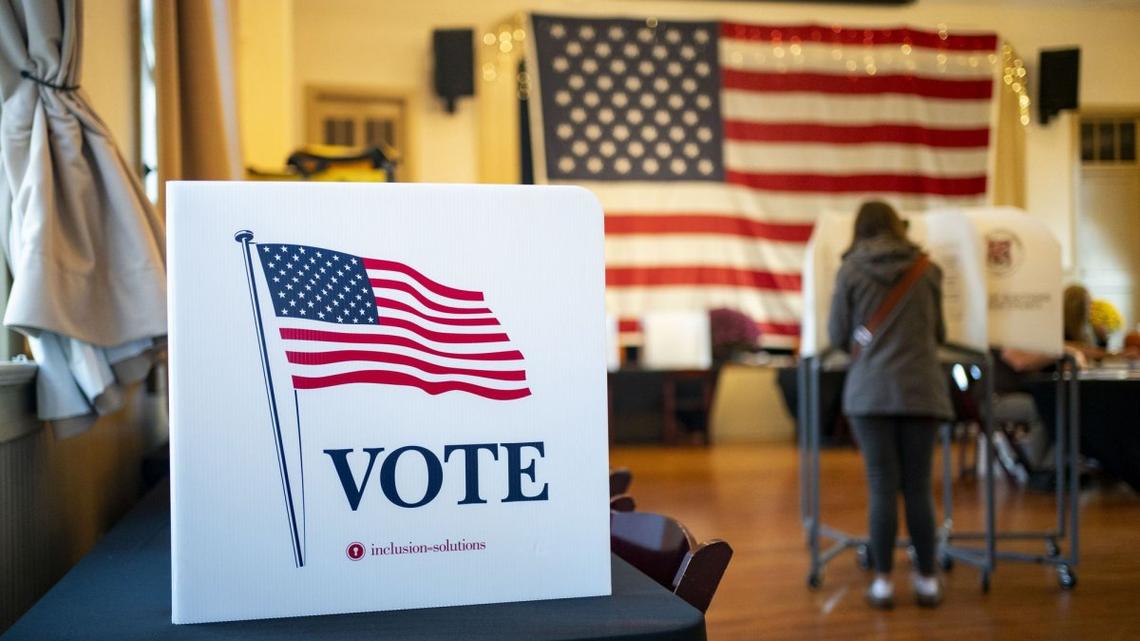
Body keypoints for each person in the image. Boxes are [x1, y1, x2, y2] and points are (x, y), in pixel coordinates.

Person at [827, 201, 952, 609]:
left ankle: (882, 582)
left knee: (882, 485)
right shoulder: (927, 269)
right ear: (899, 226)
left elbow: (836, 334)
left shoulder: (850, 270)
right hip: (921, 390)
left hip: (870, 392)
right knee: (918, 487)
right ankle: (927, 581)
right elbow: (939, 332)